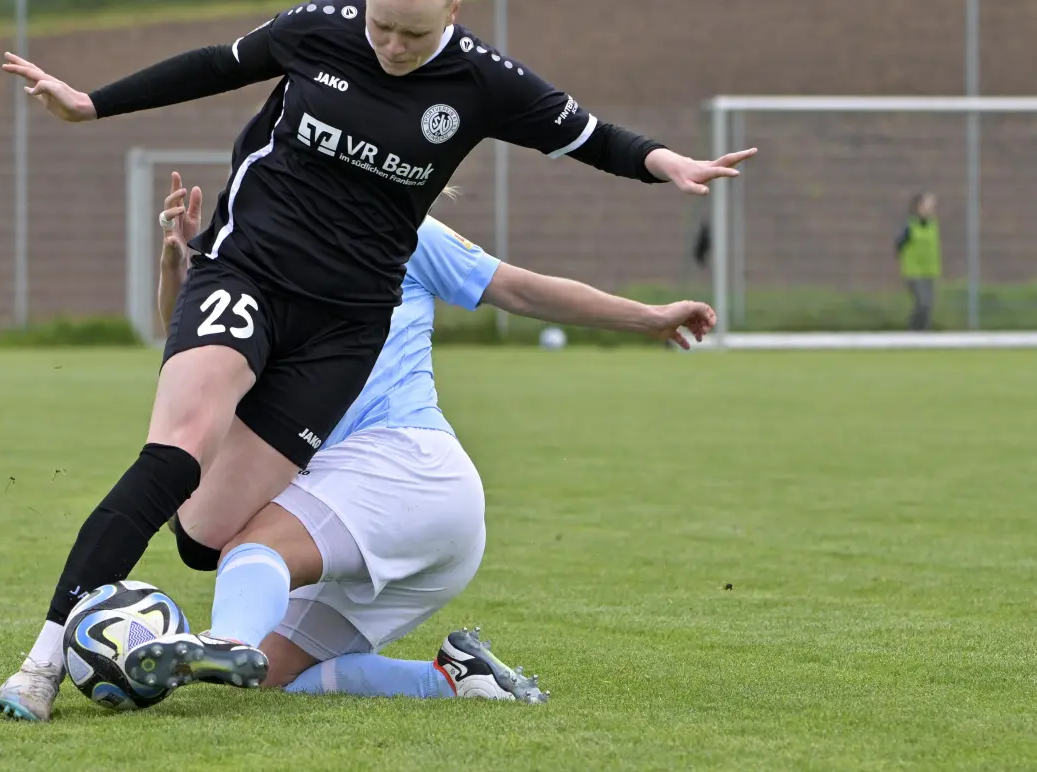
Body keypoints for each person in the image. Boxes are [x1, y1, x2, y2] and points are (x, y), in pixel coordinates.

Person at [0, 0, 753, 722]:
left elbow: (587, 136)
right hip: (247, 270)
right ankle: (40, 665)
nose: (391, 43)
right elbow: (218, 65)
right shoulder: (319, 27)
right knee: (177, 451)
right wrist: (91, 103)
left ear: (454, 11)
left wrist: (665, 161)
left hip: (343, 328)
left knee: (203, 535)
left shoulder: (483, 83)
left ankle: (287, 646)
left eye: (414, 32)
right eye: (381, 22)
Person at [111, 172, 715, 707]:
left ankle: (223, 640)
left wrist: (649, 317)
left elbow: (524, 289)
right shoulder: (260, 248)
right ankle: (455, 681)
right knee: (266, 675)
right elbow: (200, 352)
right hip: (427, 522)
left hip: (401, 463)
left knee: (252, 551)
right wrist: (179, 269)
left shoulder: (404, 233)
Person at [895, 191, 940, 332]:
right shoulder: (910, 227)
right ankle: (913, 330)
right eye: (927, 206)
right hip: (914, 272)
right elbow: (899, 246)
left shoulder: (933, 226)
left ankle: (924, 333)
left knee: (928, 306)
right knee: (922, 303)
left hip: (930, 271)